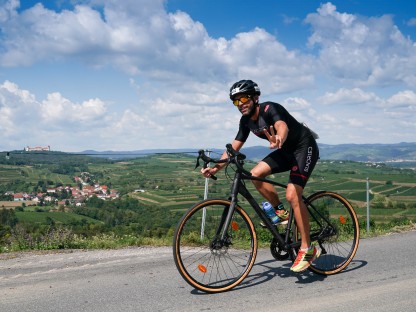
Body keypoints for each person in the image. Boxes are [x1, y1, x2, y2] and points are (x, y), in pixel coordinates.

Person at [201, 79, 320, 272]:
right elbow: (233, 148)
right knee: (255, 174)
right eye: (236, 101)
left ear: (255, 98)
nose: (240, 105)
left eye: (244, 99)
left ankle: (308, 248)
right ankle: (280, 211)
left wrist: (280, 137)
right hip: (285, 151)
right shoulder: (245, 121)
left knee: (292, 194)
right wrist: (215, 168)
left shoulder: (270, 109)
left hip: (303, 147)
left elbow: (282, 125)